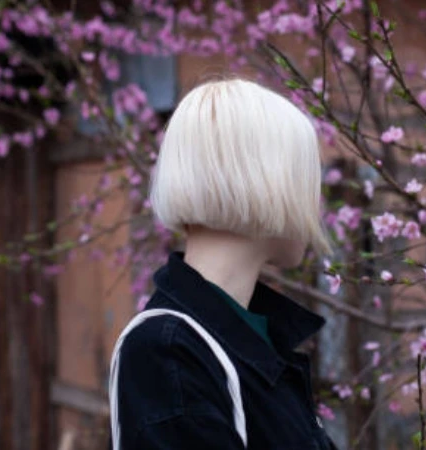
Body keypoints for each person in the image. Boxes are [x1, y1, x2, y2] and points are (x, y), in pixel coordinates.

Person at [111, 78, 337, 449]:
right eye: (306, 179)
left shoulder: (252, 338)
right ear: (268, 183)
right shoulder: (168, 351)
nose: (315, 203)